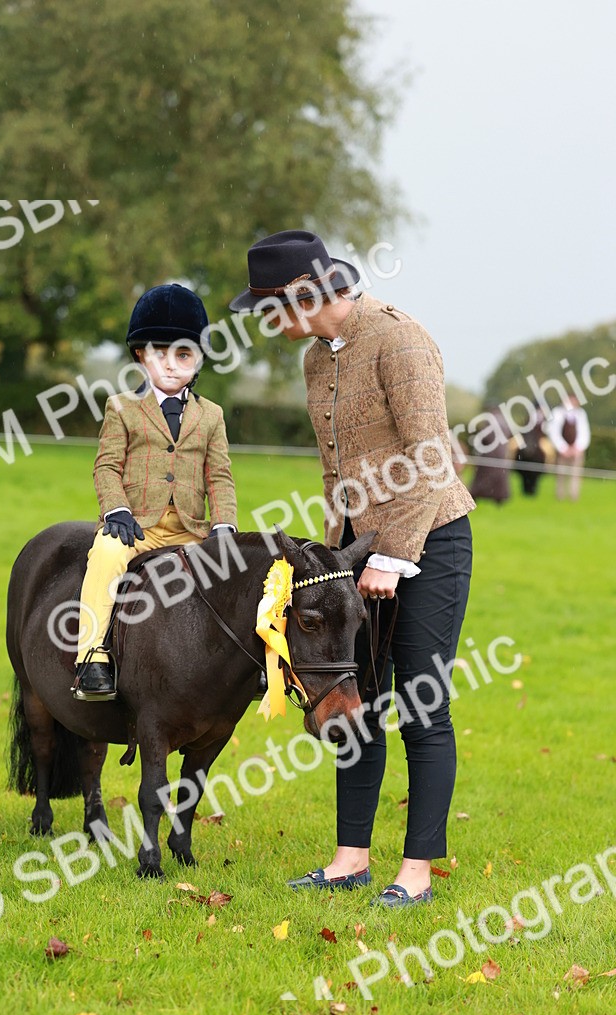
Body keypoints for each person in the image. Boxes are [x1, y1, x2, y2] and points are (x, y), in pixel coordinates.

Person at [230, 230, 475, 907]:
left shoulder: (400, 340)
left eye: (268, 306)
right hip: (355, 558)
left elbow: (430, 456)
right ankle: (349, 860)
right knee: (352, 704)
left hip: (432, 542)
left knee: (423, 708)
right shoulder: (315, 358)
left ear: (304, 295)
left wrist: (396, 556)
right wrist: (337, 558)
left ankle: (416, 873)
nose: (264, 320)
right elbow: (338, 471)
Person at [72, 284, 237, 699]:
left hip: (190, 527)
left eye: (183, 355)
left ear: (199, 360)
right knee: (106, 557)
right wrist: (116, 511)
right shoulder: (121, 408)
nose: (170, 365)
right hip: (136, 526)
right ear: (140, 355)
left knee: (241, 570)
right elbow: (107, 465)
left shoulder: (211, 416)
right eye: (159, 353)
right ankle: (91, 656)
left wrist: (224, 526)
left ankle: (246, 667)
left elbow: (219, 476)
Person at [547, 394, 590, 501]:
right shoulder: (557, 413)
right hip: (562, 451)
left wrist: (578, 447)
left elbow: (584, 432)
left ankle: (574, 496)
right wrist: (563, 448)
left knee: (575, 474)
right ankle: (560, 496)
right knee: (561, 474)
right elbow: (553, 432)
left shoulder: (581, 414)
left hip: (577, 451)